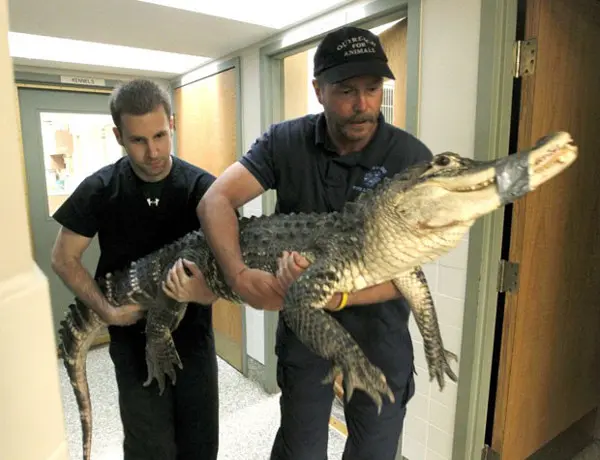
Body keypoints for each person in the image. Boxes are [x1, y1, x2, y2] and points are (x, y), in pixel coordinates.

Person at [173, 25, 433, 459]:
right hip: (304, 330)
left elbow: (410, 270)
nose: (364, 104)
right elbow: (216, 200)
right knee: (301, 447)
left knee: (375, 449)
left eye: (373, 88)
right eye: (347, 90)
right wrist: (238, 276)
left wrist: (340, 297)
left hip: (379, 335)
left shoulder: (410, 159)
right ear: (319, 90)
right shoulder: (285, 142)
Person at [50, 78, 219, 460]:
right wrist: (107, 311)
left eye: (160, 135)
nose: (153, 151)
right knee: (150, 448)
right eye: (139, 140)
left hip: (192, 336)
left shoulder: (204, 189)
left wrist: (203, 293)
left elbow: (229, 269)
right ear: (119, 136)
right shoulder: (100, 188)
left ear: (172, 124)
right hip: (132, 338)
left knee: (200, 446)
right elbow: (63, 258)